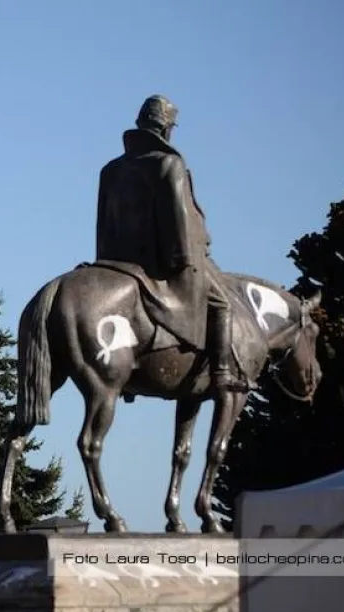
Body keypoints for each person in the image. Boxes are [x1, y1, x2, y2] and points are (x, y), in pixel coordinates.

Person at [95, 95, 250, 393]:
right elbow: (179, 220)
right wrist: (185, 262)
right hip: (158, 262)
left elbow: (103, 225)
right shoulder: (170, 164)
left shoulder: (110, 170)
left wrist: (104, 262)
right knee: (222, 304)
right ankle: (220, 373)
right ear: (166, 129)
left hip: (115, 263)